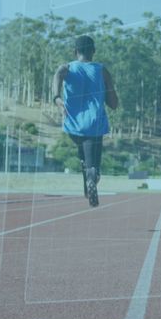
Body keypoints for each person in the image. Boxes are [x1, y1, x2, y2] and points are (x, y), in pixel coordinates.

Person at [52, 35, 118, 207]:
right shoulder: (101, 70)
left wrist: (56, 97)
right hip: (95, 124)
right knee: (94, 165)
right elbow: (113, 103)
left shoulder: (68, 68)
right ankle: (92, 176)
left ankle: (87, 184)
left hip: (73, 126)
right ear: (93, 51)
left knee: (84, 156)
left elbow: (58, 72)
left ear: (75, 52)